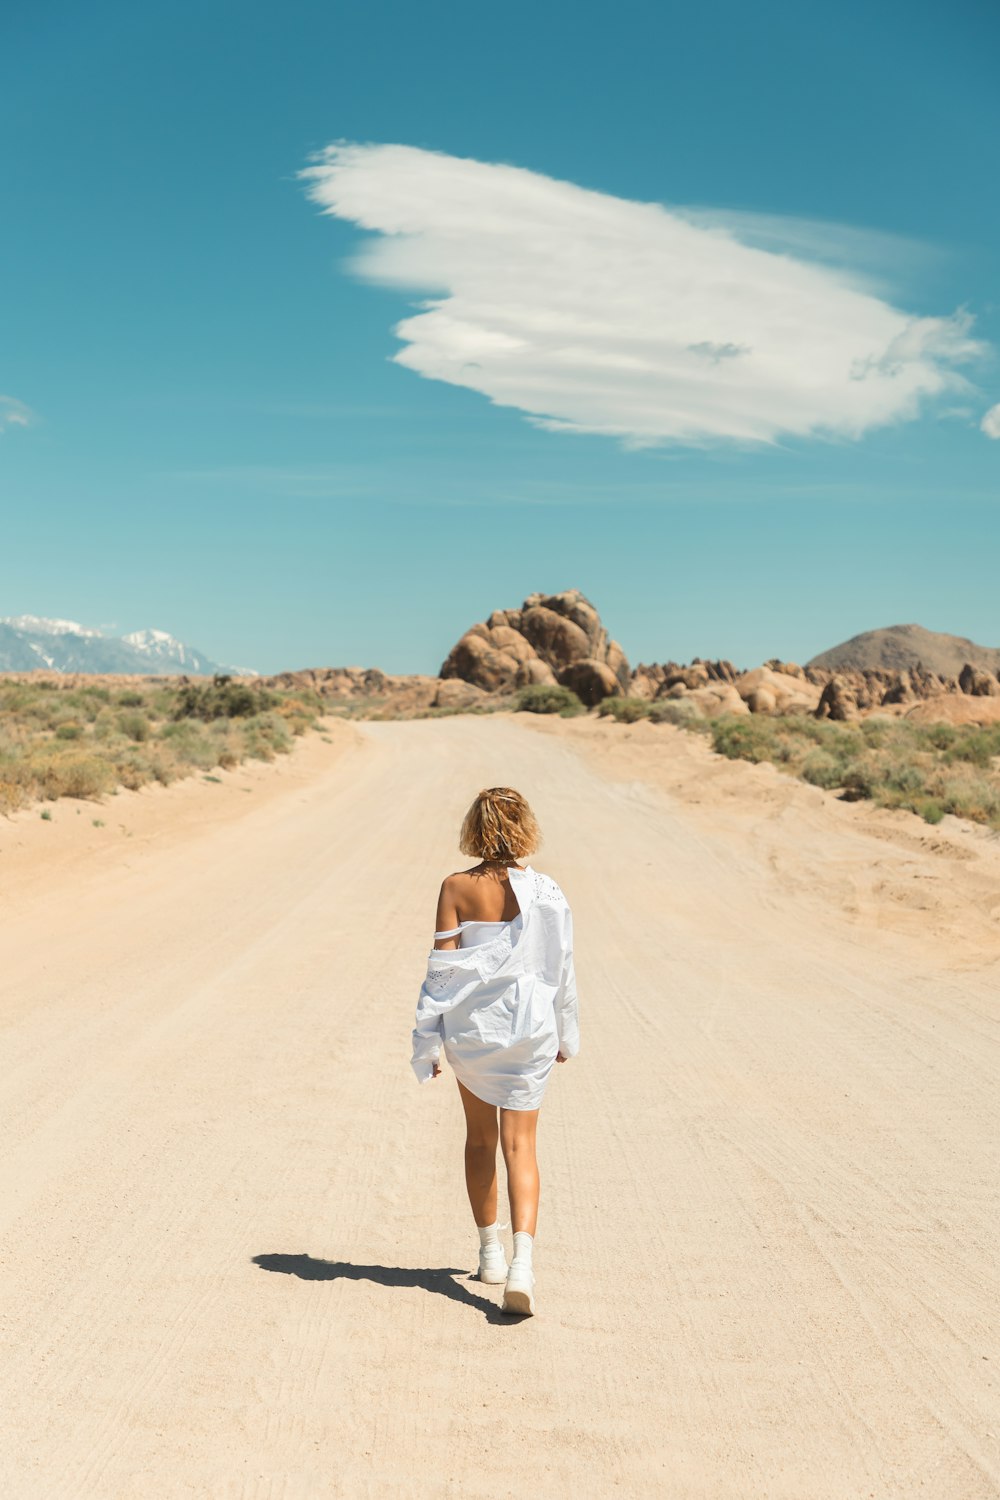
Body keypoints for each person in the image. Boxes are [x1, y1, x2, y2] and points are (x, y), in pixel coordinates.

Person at [411, 786, 580, 1317]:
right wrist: (563, 1029)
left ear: (474, 828)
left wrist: (428, 1038)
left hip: (474, 1029)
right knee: (520, 1147)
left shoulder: (455, 887)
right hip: (530, 1026)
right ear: (524, 826)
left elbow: (444, 971)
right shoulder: (548, 891)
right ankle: (523, 1265)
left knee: (480, 1141)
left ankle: (490, 1254)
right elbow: (562, 964)